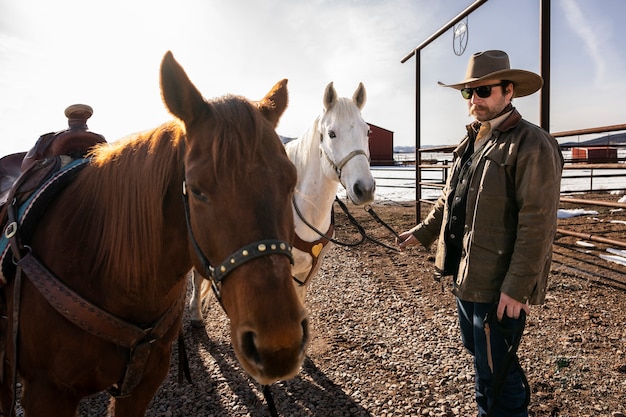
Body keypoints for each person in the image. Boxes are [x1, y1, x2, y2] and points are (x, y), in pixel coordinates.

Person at [397, 50, 563, 416]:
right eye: (468, 93)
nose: (474, 100)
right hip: (467, 272)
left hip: (498, 281)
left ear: (508, 91)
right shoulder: (473, 139)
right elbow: (450, 197)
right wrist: (422, 232)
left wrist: (517, 287)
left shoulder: (532, 143)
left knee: (494, 374)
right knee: (482, 353)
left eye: (483, 91)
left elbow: (538, 223)